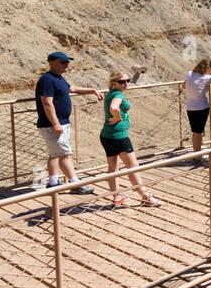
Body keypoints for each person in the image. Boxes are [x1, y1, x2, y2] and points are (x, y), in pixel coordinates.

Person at [35, 52, 101, 194]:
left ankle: (53, 182)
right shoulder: (47, 80)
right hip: (52, 125)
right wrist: (56, 123)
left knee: (55, 153)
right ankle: (74, 183)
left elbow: (72, 89)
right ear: (52, 63)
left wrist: (92, 90)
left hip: (59, 122)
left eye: (67, 62)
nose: (67, 65)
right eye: (63, 62)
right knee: (65, 154)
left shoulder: (58, 78)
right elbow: (47, 103)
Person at [100, 71, 163, 207]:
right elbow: (114, 108)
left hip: (107, 135)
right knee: (132, 167)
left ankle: (116, 196)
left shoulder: (110, 93)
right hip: (119, 136)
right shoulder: (117, 94)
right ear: (114, 83)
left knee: (113, 167)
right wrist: (117, 117)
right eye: (122, 81)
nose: (126, 83)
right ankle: (145, 196)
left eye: (127, 80)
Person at [183, 58, 211, 158]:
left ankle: (196, 151)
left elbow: (184, 85)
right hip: (201, 107)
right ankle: (198, 154)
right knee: (198, 132)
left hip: (190, 107)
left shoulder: (189, 73)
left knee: (195, 132)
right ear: (209, 68)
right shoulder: (207, 78)